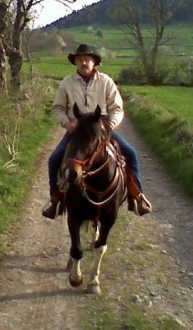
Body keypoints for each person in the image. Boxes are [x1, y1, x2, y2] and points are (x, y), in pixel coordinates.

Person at [42, 43, 153, 219]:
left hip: (100, 128)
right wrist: (67, 124)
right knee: (55, 159)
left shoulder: (106, 82)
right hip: (76, 130)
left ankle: (137, 196)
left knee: (130, 153)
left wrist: (109, 125)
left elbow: (117, 108)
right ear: (75, 63)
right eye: (80, 60)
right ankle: (55, 200)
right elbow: (57, 108)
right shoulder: (67, 83)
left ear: (94, 62)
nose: (84, 63)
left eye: (87, 59)